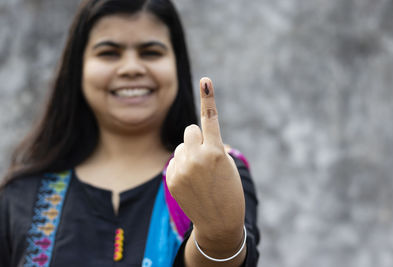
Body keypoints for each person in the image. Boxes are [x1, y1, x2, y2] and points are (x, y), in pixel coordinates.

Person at [0, 0, 259, 266]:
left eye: (151, 52)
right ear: (78, 68)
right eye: (109, 53)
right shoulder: (21, 196)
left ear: (177, 67)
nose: (131, 68)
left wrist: (219, 235)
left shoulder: (212, 174)